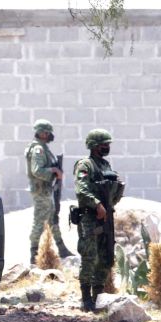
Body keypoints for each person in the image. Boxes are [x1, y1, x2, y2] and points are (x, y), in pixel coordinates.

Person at [74, 129, 125, 312]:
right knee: (89, 256)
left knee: (105, 257)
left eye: (108, 144)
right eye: (104, 144)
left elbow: (112, 195)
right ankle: (86, 299)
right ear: (95, 146)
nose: (107, 147)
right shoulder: (85, 165)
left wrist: (117, 189)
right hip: (90, 218)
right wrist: (97, 205)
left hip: (106, 218)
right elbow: (82, 190)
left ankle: (98, 296)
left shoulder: (106, 165)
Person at [25, 119, 73, 264]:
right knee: (39, 221)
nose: (50, 135)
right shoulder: (38, 149)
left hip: (45, 190)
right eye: (48, 133)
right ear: (43, 133)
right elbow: (36, 171)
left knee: (53, 219)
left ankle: (62, 248)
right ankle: (33, 254)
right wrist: (53, 170)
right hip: (41, 191)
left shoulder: (43, 148)